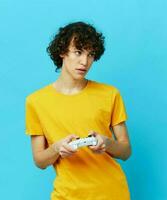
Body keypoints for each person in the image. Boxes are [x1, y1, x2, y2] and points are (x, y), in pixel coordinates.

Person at [25, 21, 131, 200]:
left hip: (111, 193)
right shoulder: (36, 101)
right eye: (78, 52)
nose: (85, 62)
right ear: (62, 51)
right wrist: (56, 149)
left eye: (91, 55)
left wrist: (106, 143)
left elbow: (126, 151)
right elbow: (40, 161)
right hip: (67, 194)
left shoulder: (110, 94)